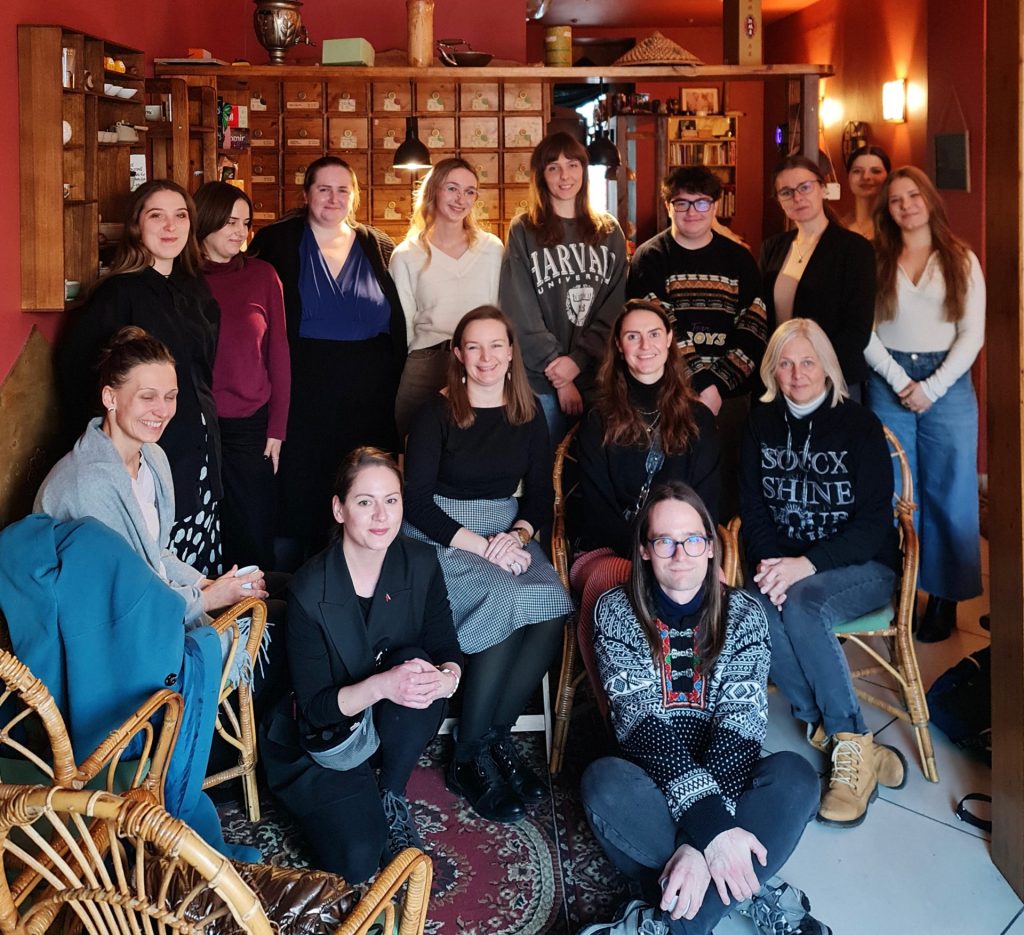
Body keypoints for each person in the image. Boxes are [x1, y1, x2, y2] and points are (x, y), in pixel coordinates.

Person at [580, 482, 828, 935]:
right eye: (664, 541)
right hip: (650, 780)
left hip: (726, 773)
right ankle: (752, 886)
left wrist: (701, 845)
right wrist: (715, 833)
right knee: (604, 785)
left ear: (711, 547)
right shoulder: (614, 610)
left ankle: (675, 920)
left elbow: (741, 727)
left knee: (796, 777)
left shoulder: (745, 613)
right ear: (644, 550)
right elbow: (641, 727)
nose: (681, 554)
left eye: (693, 539)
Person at [402, 306, 573, 823]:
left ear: (511, 352)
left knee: (552, 605)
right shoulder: (435, 414)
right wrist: (484, 546)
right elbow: (417, 503)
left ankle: (496, 737)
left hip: (506, 531)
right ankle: (467, 756)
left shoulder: (528, 413)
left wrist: (516, 535)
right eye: (473, 347)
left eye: (496, 345)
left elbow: (540, 497)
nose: (486, 357)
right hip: (444, 536)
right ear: (458, 354)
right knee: (502, 600)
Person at [260, 447, 462, 883]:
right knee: (358, 859)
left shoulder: (421, 562)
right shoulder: (310, 589)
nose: (381, 516)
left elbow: (445, 644)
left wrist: (449, 679)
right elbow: (315, 709)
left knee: (417, 664)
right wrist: (383, 685)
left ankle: (390, 791)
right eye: (365, 502)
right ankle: (345, 798)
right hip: (322, 734)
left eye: (391, 500)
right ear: (339, 509)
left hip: (390, 720)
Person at [739, 319, 906, 828]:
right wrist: (773, 567)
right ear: (772, 370)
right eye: (785, 363)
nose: (797, 374)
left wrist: (805, 566)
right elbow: (754, 511)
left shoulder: (859, 425)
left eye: (808, 362)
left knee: (805, 604)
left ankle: (845, 742)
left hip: (863, 567)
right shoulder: (759, 424)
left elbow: (874, 522)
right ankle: (848, 743)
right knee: (751, 608)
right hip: (787, 565)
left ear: (827, 366)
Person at [37, 327, 268, 625]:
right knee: (280, 621)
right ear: (110, 397)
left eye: (170, 397)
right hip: (107, 632)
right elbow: (124, 601)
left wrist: (205, 584)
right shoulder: (86, 485)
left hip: (155, 611)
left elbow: (155, 554)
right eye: (147, 397)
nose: (162, 410)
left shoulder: (153, 457)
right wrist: (209, 599)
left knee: (280, 596)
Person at [56, 179, 223, 574]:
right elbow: (79, 376)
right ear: (136, 225)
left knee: (198, 568)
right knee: (157, 564)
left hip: (200, 448)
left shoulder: (195, 288)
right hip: (149, 452)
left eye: (180, 216)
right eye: (156, 216)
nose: (170, 226)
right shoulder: (118, 293)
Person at [250, 156, 407, 569]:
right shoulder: (277, 241)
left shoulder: (378, 246)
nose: (333, 198)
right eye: (324, 189)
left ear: (355, 196)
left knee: (361, 489)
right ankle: (293, 586)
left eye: (343, 190)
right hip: (303, 397)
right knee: (301, 494)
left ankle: (359, 581)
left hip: (370, 401)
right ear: (306, 195)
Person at [572, 300, 720, 704]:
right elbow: (596, 510)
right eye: (633, 336)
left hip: (682, 549)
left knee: (703, 585)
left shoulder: (698, 419)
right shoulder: (599, 418)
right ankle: (624, 715)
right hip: (609, 550)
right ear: (619, 347)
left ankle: (688, 706)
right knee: (610, 586)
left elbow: (707, 505)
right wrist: (651, 555)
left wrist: (673, 551)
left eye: (654, 334)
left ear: (669, 340)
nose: (645, 345)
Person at [867, 166, 986, 642]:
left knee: (950, 490)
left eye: (913, 196)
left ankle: (943, 598)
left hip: (948, 383)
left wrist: (931, 388)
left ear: (930, 200)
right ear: (887, 210)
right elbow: (864, 332)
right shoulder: (876, 258)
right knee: (896, 490)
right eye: (896, 200)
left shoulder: (960, 259)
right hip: (888, 378)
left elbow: (972, 334)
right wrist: (900, 381)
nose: (906, 206)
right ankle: (901, 590)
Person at [627, 165, 767, 514]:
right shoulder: (650, 257)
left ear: (715, 206)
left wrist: (717, 385)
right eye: (682, 203)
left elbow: (754, 325)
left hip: (730, 397)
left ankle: (725, 548)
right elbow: (659, 326)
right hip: (669, 393)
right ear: (668, 206)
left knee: (728, 487)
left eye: (701, 202)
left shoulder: (740, 258)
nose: (692, 211)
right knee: (671, 486)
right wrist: (701, 385)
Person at [499, 131, 627, 442]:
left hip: (599, 375)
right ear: (541, 176)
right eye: (553, 167)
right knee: (544, 466)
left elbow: (616, 307)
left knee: (594, 465)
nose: (565, 176)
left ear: (584, 170)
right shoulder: (524, 229)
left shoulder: (609, 231)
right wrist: (560, 376)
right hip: (541, 380)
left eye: (572, 165)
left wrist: (578, 361)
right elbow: (520, 309)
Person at [194, 181, 290, 571]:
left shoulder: (263, 275)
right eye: (230, 222)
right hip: (195, 424)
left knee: (252, 530)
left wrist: (277, 428)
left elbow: (279, 354)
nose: (240, 232)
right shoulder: (181, 280)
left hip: (251, 425)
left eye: (246, 223)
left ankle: (255, 608)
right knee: (200, 528)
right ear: (206, 221)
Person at [389, 157, 504, 438]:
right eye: (452, 188)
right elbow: (403, 326)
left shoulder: (492, 249)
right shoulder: (405, 255)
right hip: (426, 362)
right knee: (415, 447)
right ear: (434, 191)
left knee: (477, 448)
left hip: (480, 363)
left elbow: (500, 313)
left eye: (469, 191)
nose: (460, 199)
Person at [759, 155, 876, 394]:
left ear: (822, 188)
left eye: (805, 187)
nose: (797, 197)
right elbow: (761, 316)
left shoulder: (855, 249)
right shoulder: (773, 247)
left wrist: (813, 372)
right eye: (786, 192)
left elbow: (858, 329)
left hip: (834, 378)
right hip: (782, 377)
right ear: (779, 200)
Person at [842, 146, 891, 241]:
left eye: (876, 171)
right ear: (848, 177)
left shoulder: (897, 226)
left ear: (888, 177)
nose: (866, 177)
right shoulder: (838, 227)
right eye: (857, 171)